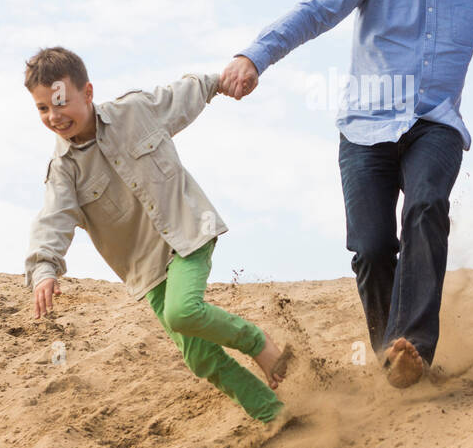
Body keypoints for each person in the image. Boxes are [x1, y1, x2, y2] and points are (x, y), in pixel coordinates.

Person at [219, 0, 473, 387]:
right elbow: (315, 12)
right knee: (369, 246)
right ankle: (393, 355)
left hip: (435, 123)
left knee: (427, 206)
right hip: (365, 127)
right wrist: (255, 55)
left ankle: (415, 344)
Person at [23, 47, 291, 423]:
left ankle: (257, 343)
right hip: (147, 268)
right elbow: (53, 219)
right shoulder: (64, 170)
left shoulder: (135, 111)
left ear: (87, 93)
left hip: (187, 232)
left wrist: (220, 82)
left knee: (183, 311)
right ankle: (276, 415)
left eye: (60, 103)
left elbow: (182, 95)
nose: (53, 116)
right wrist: (45, 269)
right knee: (199, 357)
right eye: (42, 108)